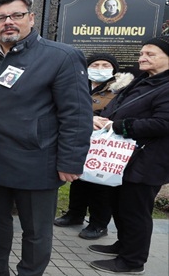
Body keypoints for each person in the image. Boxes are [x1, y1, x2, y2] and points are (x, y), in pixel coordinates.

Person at [0, 0, 91, 276]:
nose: (8, 22)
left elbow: (77, 115)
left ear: (31, 18)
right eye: (0, 18)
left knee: (36, 232)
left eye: (16, 15)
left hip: (37, 162)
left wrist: (70, 161)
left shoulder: (60, 57)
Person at [89, 37, 169, 275]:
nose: (143, 58)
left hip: (149, 160)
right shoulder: (145, 81)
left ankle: (133, 261)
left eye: (150, 54)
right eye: (142, 53)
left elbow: (163, 123)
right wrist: (106, 117)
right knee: (121, 204)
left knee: (135, 210)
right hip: (126, 158)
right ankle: (123, 245)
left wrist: (120, 126)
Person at [55, 53, 133, 240]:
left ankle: (98, 223)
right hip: (80, 138)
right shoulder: (79, 82)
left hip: (106, 141)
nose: (99, 68)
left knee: (101, 183)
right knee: (79, 178)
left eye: (104, 65)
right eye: (95, 64)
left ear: (113, 68)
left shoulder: (121, 88)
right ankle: (75, 213)